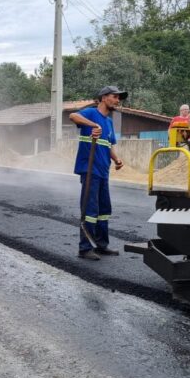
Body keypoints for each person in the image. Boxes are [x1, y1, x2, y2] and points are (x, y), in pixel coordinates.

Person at [68, 85, 126, 261]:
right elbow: (73, 115)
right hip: (89, 169)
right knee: (90, 209)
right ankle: (84, 248)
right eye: (114, 97)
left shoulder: (108, 122)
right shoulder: (92, 113)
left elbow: (108, 145)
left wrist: (116, 159)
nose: (117, 100)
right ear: (103, 98)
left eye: (118, 98)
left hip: (103, 171)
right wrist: (93, 125)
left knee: (104, 210)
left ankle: (101, 246)